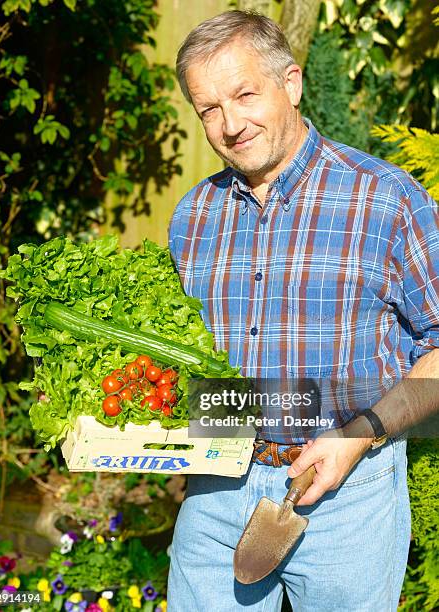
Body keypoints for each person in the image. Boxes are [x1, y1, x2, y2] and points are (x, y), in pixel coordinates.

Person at [167, 10, 439, 612]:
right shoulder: (194, 216)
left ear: (290, 84)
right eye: (209, 108)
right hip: (217, 488)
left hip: (349, 496)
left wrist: (359, 437)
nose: (230, 125)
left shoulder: (384, 198)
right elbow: (180, 355)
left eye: (244, 95)